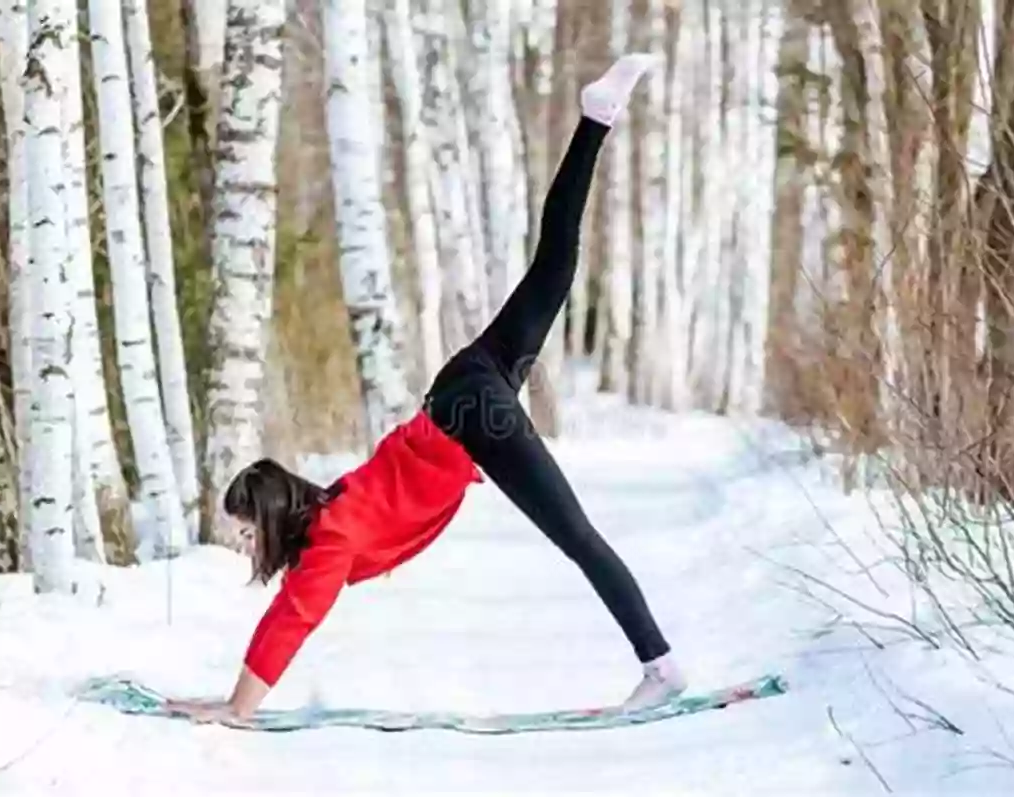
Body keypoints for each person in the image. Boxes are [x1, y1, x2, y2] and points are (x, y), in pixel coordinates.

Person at [168, 53, 685, 723]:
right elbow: (284, 612)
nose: (242, 547)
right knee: (554, 267)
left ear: (269, 520)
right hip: (464, 387)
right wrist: (230, 698)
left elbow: (290, 622)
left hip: (470, 409)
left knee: (575, 532)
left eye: (243, 533)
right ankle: (597, 116)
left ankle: (661, 665)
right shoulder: (327, 517)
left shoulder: (329, 538)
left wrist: (236, 708)